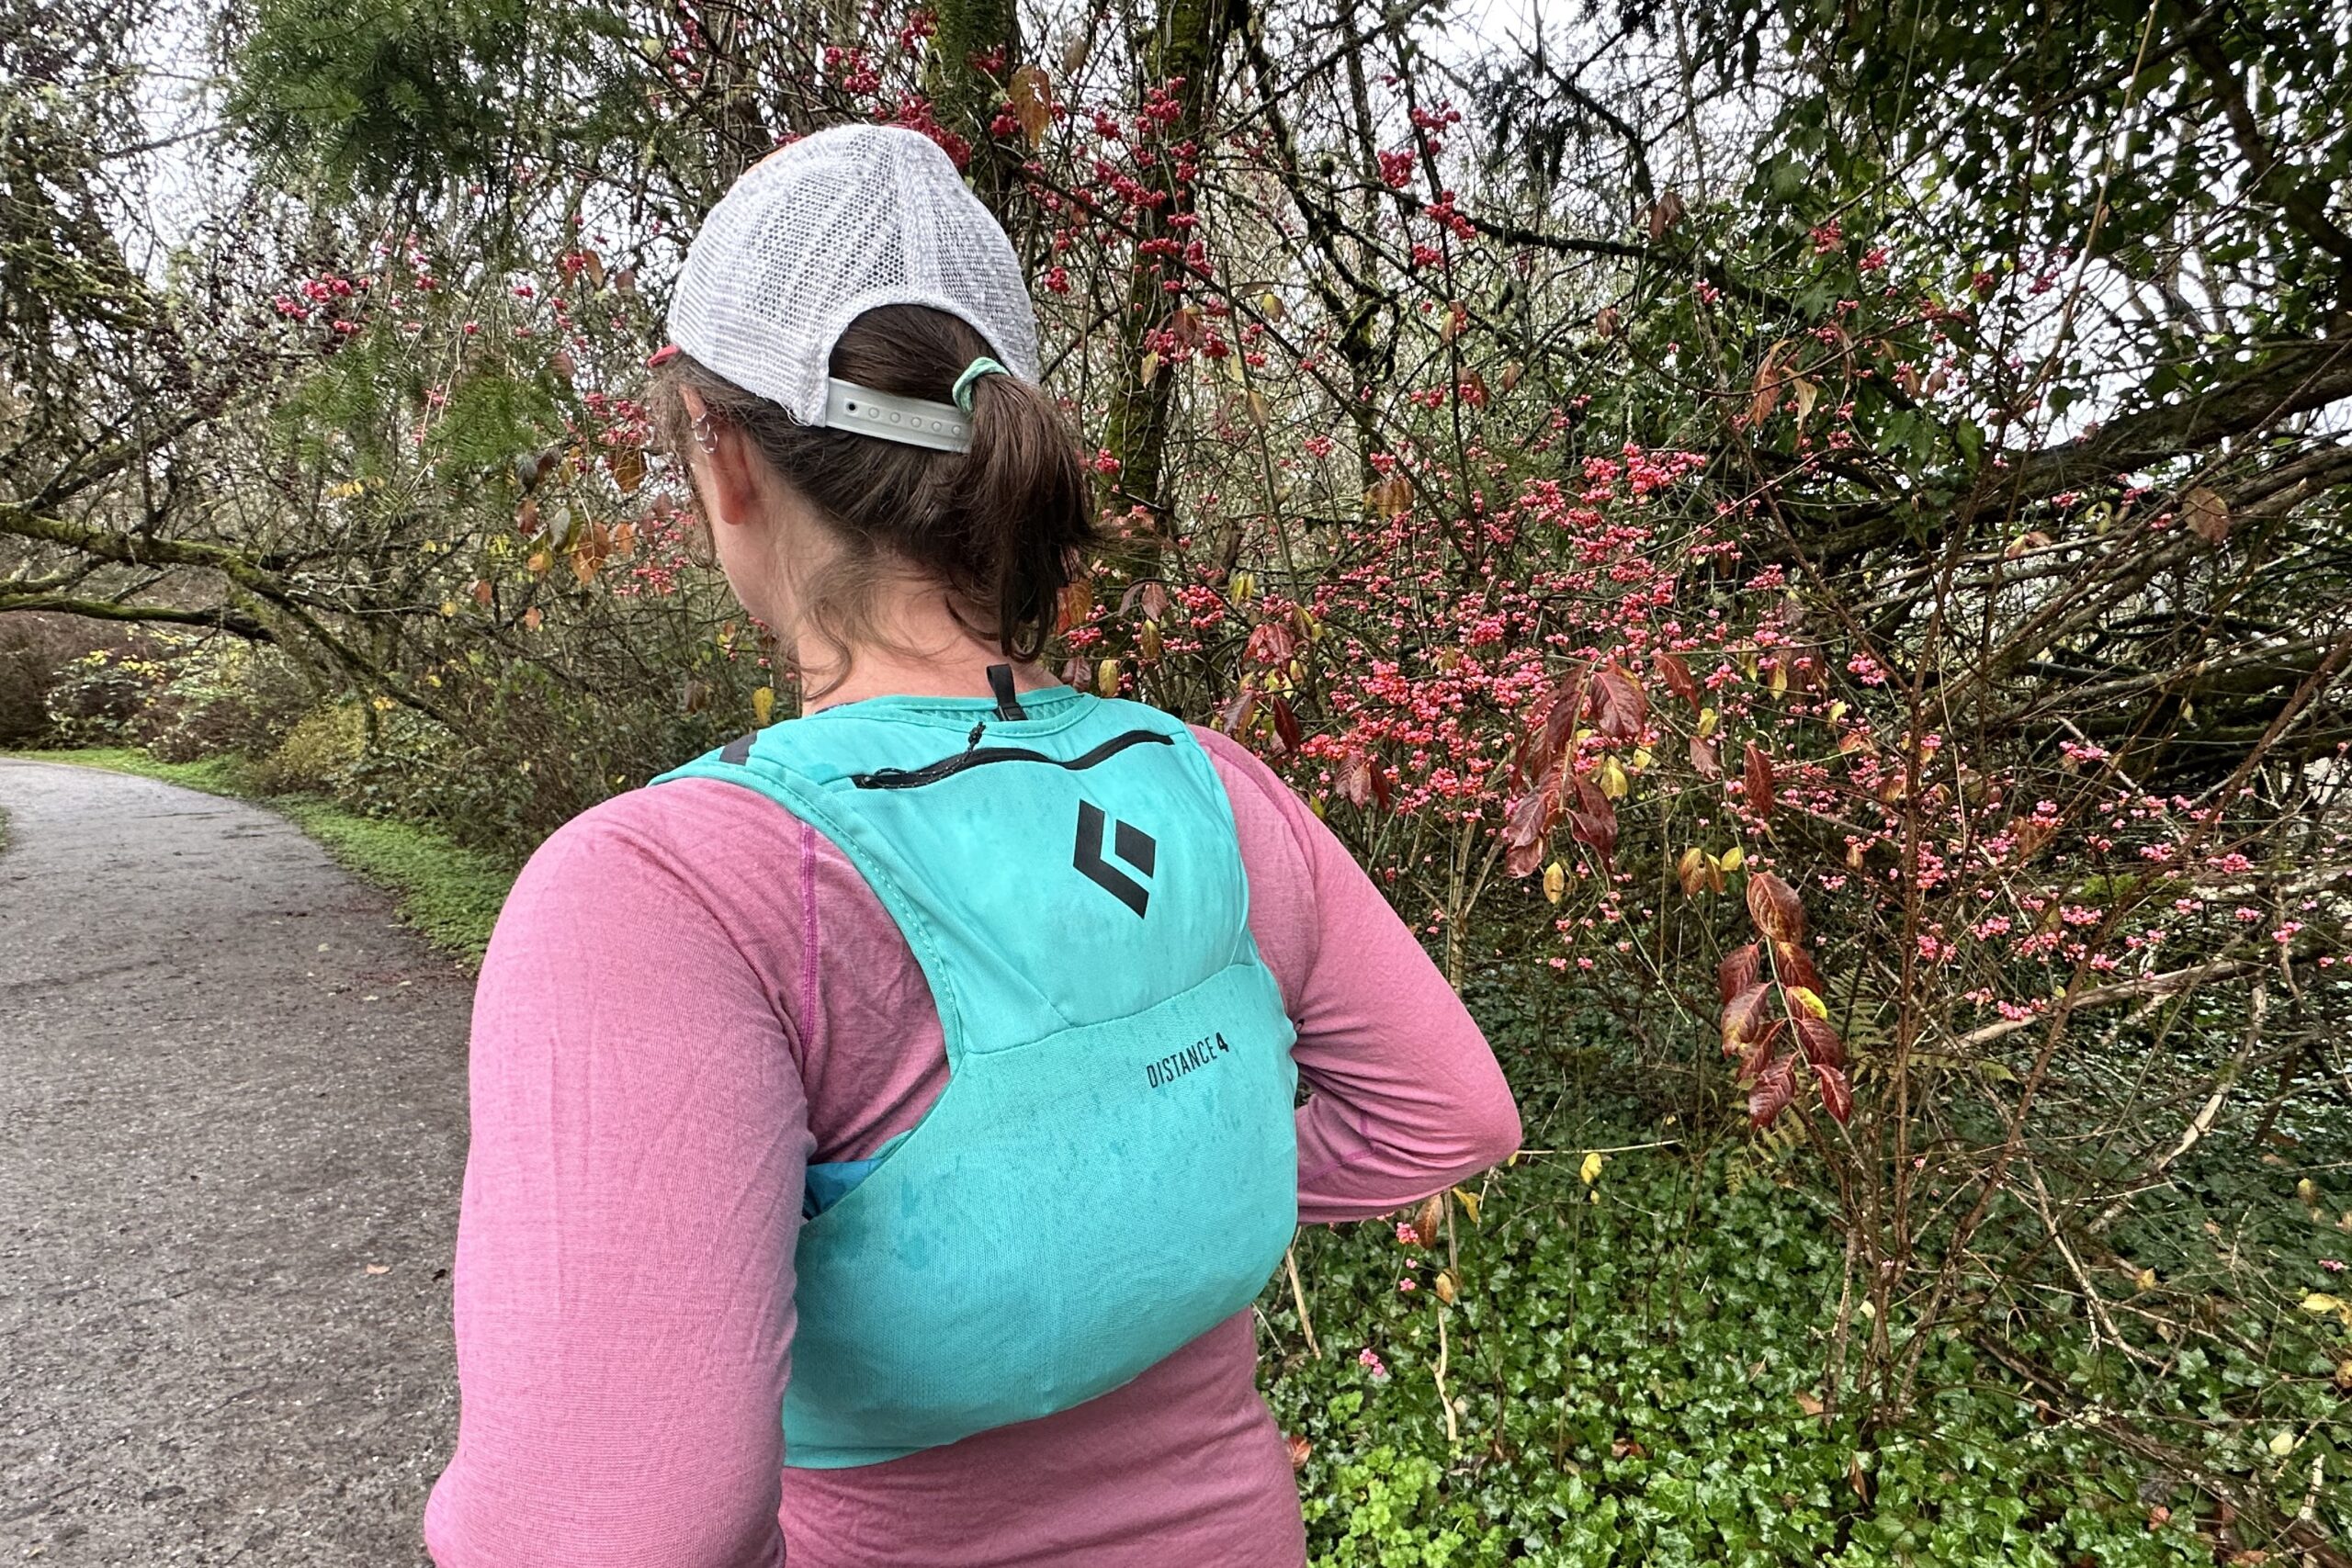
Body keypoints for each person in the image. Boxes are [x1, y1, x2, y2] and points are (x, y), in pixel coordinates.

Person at [423, 123, 1521, 1567]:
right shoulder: (1212, 789)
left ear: (727, 461)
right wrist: (1157, 1181)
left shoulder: (670, 896)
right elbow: (1452, 1117)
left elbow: (608, 1531)